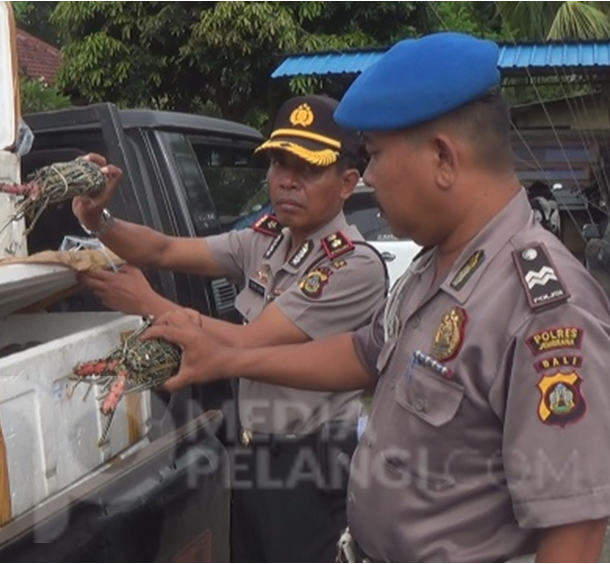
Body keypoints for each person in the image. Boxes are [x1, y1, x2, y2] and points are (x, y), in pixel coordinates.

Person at [147, 32, 610, 563]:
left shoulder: (545, 306)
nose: (366, 176)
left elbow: (573, 533)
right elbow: (362, 353)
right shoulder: (432, 268)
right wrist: (231, 357)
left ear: (443, 158)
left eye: (372, 155)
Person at [72, 95, 389, 563]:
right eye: (280, 163)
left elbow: (246, 343)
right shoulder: (265, 240)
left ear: (347, 183)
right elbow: (162, 250)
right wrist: (98, 219)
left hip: (306, 466)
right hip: (246, 452)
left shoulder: (351, 265)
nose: (287, 180)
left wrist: (149, 303)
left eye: (308, 169)